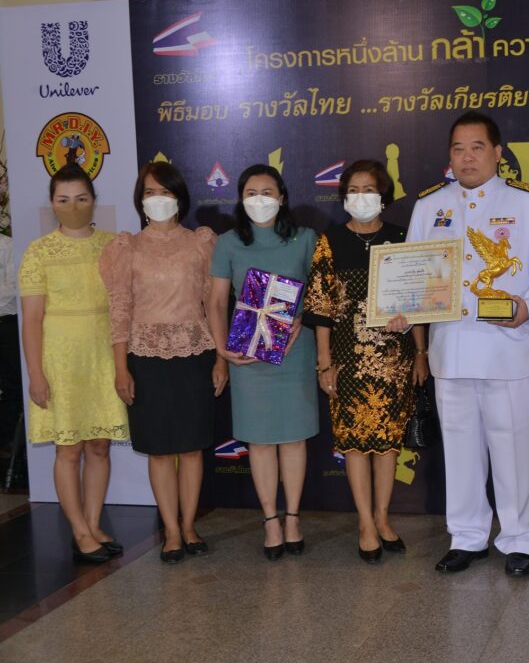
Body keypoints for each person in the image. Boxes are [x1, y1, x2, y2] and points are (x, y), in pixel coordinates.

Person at [396, 111, 529, 577]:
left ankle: (520, 539)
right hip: (451, 349)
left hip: (508, 347)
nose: (467, 157)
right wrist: (402, 309)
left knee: (514, 448)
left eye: (476, 147)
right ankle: (467, 536)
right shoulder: (430, 205)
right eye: (458, 149)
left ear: (497, 152)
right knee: (460, 450)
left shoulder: (526, 201)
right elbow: (410, 271)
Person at [99, 162, 227, 563]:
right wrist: (121, 367)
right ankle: (170, 530)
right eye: (150, 192)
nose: (158, 199)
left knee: (191, 449)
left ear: (179, 197)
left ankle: (189, 526)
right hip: (144, 358)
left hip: (195, 354)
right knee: (158, 451)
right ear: (140, 199)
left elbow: (214, 304)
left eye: (165, 192)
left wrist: (221, 359)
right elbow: (120, 310)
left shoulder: (201, 243)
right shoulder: (126, 248)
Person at [305, 159, 428, 563]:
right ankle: (364, 524)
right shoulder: (330, 241)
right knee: (355, 444)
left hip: (394, 359)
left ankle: (383, 517)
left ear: (384, 195)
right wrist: (324, 361)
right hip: (347, 361)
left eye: (369, 189)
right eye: (353, 190)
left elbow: (419, 303)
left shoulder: (402, 238)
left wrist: (420, 352)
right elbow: (320, 306)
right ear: (343, 196)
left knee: (389, 443)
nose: (361, 197)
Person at [18, 164, 129, 563]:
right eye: (64, 200)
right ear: (52, 204)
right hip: (60, 361)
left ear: (93, 201)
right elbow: (31, 320)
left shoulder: (115, 246)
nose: (73, 206)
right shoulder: (38, 251)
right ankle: (79, 531)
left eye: (81, 198)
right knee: (68, 449)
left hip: (103, 356)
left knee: (99, 445)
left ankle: (94, 524)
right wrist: (36, 374)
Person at [208, 164, 317, 561]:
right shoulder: (228, 243)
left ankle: (293, 518)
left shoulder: (306, 238)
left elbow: (321, 294)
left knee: (293, 438)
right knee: (259, 441)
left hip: (294, 351)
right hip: (248, 354)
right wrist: (223, 349)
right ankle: (270, 520)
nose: (259, 199)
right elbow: (216, 301)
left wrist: (302, 319)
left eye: (267, 192)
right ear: (240, 199)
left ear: (282, 197)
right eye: (251, 193)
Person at [0, 232, 22, 457]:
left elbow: (13, 286)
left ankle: (6, 441)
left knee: (12, 384)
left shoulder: (7, 246)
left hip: (6, 323)